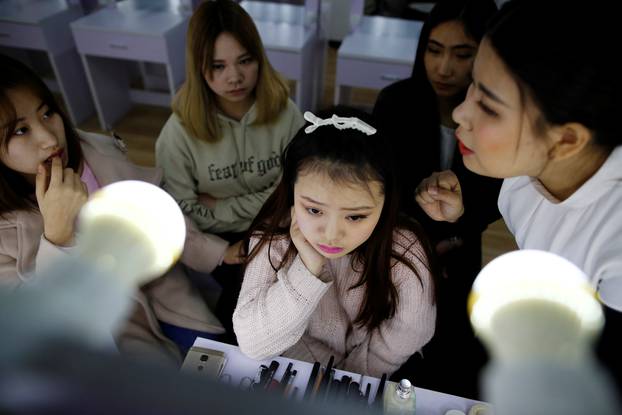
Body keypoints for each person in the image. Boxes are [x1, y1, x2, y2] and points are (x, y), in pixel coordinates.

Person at [415, 0, 622, 391]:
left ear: (566, 139)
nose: (461, 112)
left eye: (489, 106)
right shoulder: (528, 169)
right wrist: (465, 204)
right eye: (473, 84)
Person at [0, 54, 225, 365]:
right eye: (20, 131)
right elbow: (41, 327)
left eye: (48, 113)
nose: (49, 138)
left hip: (167, 295)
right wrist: (57, 236)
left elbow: (158, 212)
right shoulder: (4, 233)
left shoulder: (96, 152)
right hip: (113, 335)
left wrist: (217, 253)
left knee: (223, 365)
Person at [232, 108, 437, 377]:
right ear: (292, 192)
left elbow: (411, 331)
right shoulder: (274, 237)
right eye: (314, 210)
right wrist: (307, 268)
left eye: (355, 216)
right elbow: (252, 343)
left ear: (386, 204)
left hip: (370, 372)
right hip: (294, 369)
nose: (331, 234)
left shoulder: (403, 248)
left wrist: (348, 376)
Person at [155, 0, 305, 341]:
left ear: (259, 58)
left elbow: (297, 189)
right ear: (198, 68)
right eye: (217, 66)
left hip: (281, 224)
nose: (234, 77)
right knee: (244, 312)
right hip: (220, 241)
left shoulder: (286, 113)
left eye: (244, 61)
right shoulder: (177, 134)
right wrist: (265, 201)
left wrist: (220, 206)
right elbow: (180, 211)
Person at [373, 0, 500, 398]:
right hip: (396, 247)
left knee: (455, 359)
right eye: (433, 50)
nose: (443, 68)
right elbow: (379, 187)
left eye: (462, 54)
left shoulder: (498, 119)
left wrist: (462, 216)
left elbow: (497, 197)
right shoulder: (395, 103)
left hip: (460, 249)